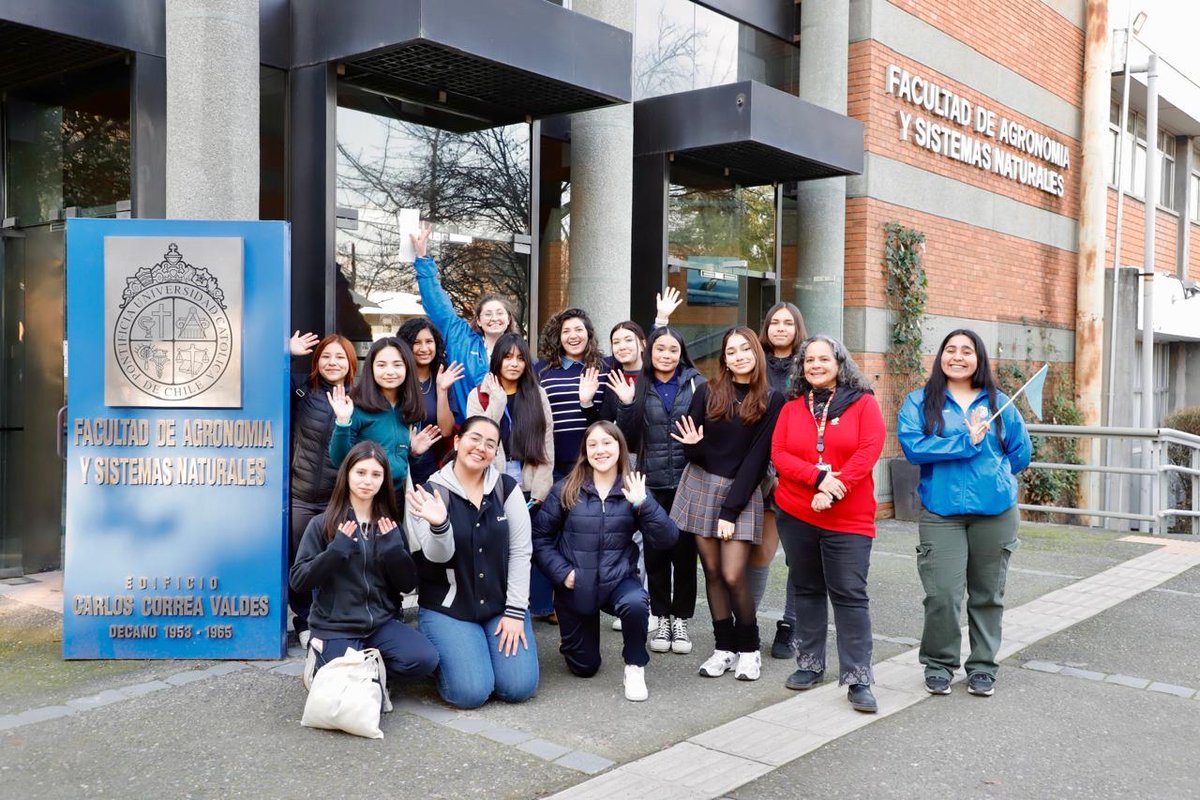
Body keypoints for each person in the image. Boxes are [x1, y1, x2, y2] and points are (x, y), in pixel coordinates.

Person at [897, 329, 1031, 698]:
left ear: (979, 358)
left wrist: (994, 477)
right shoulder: (920, 402)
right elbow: (914, 448)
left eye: (967, 351)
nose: (957, 357)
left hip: (995, 512)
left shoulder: (1000, 403)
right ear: (940, 356)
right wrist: (964, 443)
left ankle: (983, 667)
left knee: (988, 594)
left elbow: (1020, 453)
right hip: (942, 512)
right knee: (942, 594)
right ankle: (939, 664)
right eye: (950, 349)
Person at [771, 335, 886, 713]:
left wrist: (835, 489)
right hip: (797, 512)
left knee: (850, 594)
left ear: (839, 363)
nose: (816, 366)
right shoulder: (791, 407)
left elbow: (869, 450)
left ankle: (858, 678)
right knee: (806, 589)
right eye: (809, 360)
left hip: (848, 516)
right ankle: (810, 664)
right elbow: (779, 455)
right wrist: (818, 479)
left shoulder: (863, 403)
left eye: (824, 359)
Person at [532, 421, 678, 701]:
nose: (600, 450)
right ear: (585, 451)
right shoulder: (566, 489)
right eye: (593, 444)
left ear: (619, 447)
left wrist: (643, 503)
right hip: (576, 584)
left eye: (607, 443)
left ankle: (634, 667)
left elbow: (668, 538)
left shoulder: (633, 488)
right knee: (584, 667)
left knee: (636, 602)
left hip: (618, 579)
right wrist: (562, 573)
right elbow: (539, 537)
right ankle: (575, 637)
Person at [670, 327, 784, 682]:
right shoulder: (707, 391)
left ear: (756, 353)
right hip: (701, 485)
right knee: (713, 572)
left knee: (734, 574)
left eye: (745, 349)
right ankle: (724, 648)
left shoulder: (772, 399)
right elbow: (691, 448)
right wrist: (694, 447)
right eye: (731, 351)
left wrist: (730, 511)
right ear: (724, 358)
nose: (739, 356)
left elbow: (757, 460)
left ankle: (749, 649)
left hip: (742, 492)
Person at [405, 416, 540, 709]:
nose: (481, 448)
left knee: (518, 686)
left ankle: (479, 649)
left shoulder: (506, 489)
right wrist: (440, 525)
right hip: (449, 609)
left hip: (499, 606)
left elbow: (520, 552)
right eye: (474, 439)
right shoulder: (429, 492)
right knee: (471, 693)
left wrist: (516, 612)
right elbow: (436, 556)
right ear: (457, 442)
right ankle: (446, 652)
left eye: (490, 444)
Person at [291, 441, 439, 690]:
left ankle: (369, 671)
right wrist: (335, 552)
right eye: (360, 472)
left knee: (425, 659)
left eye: (375, 474)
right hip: (335, 627)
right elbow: (299, 580)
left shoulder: (389, 525)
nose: (367, 481)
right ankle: (334, 662)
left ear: (383, 480)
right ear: (347, 474)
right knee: (342, 690)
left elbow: (407, 585)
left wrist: (394, 552)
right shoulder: (323, 524)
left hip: (380, 625)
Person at [614, 326, 705, 655]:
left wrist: (698, 445)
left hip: (687, 481)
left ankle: (681, 620)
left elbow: (707, 430)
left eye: (673, 349)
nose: (666, 355)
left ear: (682, 353)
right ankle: (662, 617)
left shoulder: (697, 384)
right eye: (660, 349)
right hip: (649, 482)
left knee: (685, 555)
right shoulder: (639, 384)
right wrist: (626, 405)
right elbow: (626, 439)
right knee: (655, 555)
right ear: (649, 352)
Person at [288, 331, 358, 648]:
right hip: (300, 495)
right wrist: (287, 353)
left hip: (337, 499)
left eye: (339, 357)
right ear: (316, 361)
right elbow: (262, 381)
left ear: (350, 362)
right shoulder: (301, 388)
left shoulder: (360, 398)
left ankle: (330, 622)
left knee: (334, 562)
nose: (333, 362)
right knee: (301, 561)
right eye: (326, 356)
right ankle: (304, 621)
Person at [411, 223, 521, 419]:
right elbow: (438, 305)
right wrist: (423, 259)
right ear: (478, 320)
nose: (494, 318)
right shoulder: (461, 339)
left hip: (509, 432)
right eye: (487, 314)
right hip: (467, 429)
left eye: (499, 313)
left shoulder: (519, 353)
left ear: (508, 319)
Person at [327, 336, 441, 504]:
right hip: (364, 495)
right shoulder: (356, 405)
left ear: (408, 367)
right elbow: (339, 459)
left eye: (397, 365)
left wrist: (414, 453)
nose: (390, 372)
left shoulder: (410, 407)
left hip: (397, 495)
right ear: (371, 368)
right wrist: (343, 422)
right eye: (381, 365)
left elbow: (400, 460)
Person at [756, 302, 808, 660]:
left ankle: (791, 625)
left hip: (798, 472)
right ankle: (745, 624)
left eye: (788, 323)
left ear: (797, 328)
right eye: (774, 322)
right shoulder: (754, 361)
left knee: (799, 557)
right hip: (759, 473)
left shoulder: (809, 365)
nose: (780, 328)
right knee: (760, 553)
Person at [466, 332, 555, 505]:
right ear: (497, 359)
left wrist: (541, 489)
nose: (514, 364)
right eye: (507, 357)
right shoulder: (478, 396)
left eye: (520, 358)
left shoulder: (537, 394)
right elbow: (477, 438)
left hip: (529, 485)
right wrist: (498, 401)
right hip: (490, 484)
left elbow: (546, 442)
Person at [396, 317, 464, 484]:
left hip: (429, 466)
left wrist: (442, 390)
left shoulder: (442, 378)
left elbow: (446, 431)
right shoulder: (396, 377)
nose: (424, 348)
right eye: (416, 342)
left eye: (429, 342)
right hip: (397, 461)